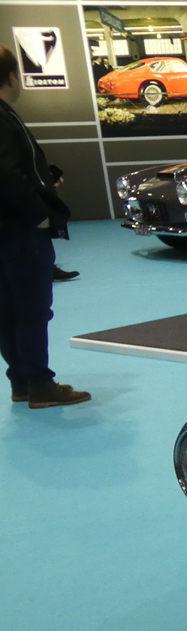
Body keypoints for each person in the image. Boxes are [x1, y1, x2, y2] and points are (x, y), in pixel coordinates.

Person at [0, 46, 89, 408]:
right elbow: (7, 174)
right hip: (19, 230)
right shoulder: (3, 118)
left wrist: (43, 180)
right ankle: (40, 384)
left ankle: (21, 382)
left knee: (7, 310)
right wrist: (38, 211)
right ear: (11, 77)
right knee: (32, 310)